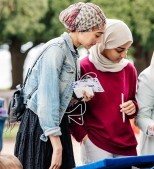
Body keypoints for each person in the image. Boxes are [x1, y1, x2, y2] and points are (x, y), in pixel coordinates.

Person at [14, 2, 106, 169]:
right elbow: (47, 99)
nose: (99, 41)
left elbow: (59, 96)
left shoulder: (72, 52)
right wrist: (56, 145)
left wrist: (78, 96)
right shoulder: (57, 49)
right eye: (97, 34)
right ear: (82, 28)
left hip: (55, 124)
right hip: (42, 127)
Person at [69, 19, 138, 164]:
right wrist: (83, 136)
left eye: (127, 49)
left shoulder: (129, 69)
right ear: (103, 43)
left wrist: (133, 106)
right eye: (119, 50)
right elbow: (72, 108)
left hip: (126, 143)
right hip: (95, 143)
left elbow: (133, 101)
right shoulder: (83, 67)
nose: (124, 55)